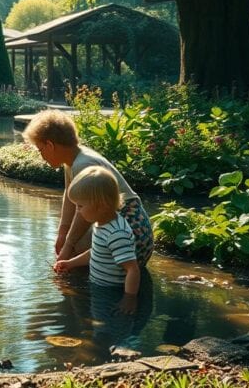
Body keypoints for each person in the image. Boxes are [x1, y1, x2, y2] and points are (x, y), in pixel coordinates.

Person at [23, 109, 153, 266]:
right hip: (126, 229)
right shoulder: (72, 160)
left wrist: (68, 245)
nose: (41, 156)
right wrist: (62, 233)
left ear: (50, 145)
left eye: (40, 149)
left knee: (76, 245)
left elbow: (82, 213)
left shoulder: (83, 164)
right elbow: (70, 196)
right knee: (73, 241)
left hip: (133, 235)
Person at [54, 166, 142, 314]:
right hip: (99, 286)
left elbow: (132, 269)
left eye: (80, 206)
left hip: (112, 293)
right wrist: (70, 263)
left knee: (107, 327)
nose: (78, 210)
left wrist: (129, 298)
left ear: (101, 206)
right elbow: (96, 251)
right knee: (96, 322)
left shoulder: (117, 233)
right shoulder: (101, 223)